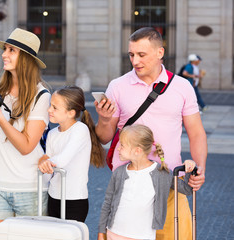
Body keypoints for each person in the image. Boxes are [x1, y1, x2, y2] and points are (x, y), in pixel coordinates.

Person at [94, 27, 207, 239]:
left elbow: (197, 133)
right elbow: (104, 137)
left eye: (141, 55)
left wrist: (200, 169)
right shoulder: (117, 86)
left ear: (160, 53)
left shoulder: (182, 86)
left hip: (171, 182)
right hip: (129, 186)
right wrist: (104, 118)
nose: (135, 61)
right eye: (131, 54)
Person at [0, 28, 51, 240]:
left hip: (29, 189)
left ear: (25, 58)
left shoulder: (41, 95)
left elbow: (26, 147)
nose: (4, 54)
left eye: (11, 50)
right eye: (5, 49)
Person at [98, 124, 196, 240]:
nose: (118, 148)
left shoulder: (161, 173)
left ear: (137, 150)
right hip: (114, 233)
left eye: (122, 145)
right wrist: (101, 231)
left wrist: (190, 168)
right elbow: (108, 202)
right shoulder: (119, 172)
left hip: (143, 236)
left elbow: (187, 190)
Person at [38, 86, 105, 222]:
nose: (49, 110)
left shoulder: (80, 130)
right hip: (54, 197)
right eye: (51, 105)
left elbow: (61, 160)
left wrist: (46, 162)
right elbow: (47, 171)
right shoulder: (52, 133)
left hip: (74, 200)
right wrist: (44, 164)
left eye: (55, 107)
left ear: (71, 113)